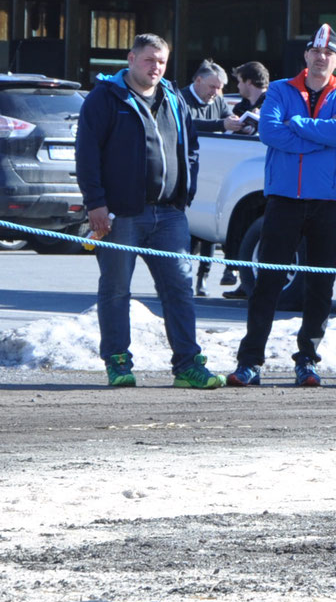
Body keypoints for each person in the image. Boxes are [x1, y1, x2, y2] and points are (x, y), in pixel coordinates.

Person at [75, 34, 225, 391]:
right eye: (148, 60)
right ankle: (118, 362)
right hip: (119, 216)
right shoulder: (104, 98)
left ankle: (188, 365)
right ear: (131, 59)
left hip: (169, 214)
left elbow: (190, 148)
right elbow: (87, 154)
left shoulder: (173, 98)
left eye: (161, 61)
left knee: (179, 289)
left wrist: (184, 193)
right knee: (115, 291)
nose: (155, 67)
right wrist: (96, 204)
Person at [228, 25, 336, 388]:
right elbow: (270, 132)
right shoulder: (281, 90)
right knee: (268, 282)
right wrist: (318, 135)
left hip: (329, 202)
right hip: (285, 199)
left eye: (328, 53)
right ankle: (250, 361)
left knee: (320, 285)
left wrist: (297, 125)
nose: (321, 58)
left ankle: (307, 360)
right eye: (315, 52)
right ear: (306, 55)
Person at [212, 61, 271, 300]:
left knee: (261, 234)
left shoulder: (273, 101)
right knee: (244, 230)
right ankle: (244, 280)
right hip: (247, 178)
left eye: (239, 81)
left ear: (248, 81)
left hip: (267, 175)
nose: (237, 85)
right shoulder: (245, 105)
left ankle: (252, 283)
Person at [178, 60, 229, 294]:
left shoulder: (218, 101)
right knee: (186, 227)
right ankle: (182, 275)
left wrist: (243, 124)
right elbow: (189, 124)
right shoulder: (180, 99)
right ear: (197, 81)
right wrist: (221, 123)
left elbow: (228, 118)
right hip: (185, 173)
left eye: (219, 88)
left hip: (211, 173)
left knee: (209, 228)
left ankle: (203, 277)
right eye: (212, 87)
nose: (216, 93)